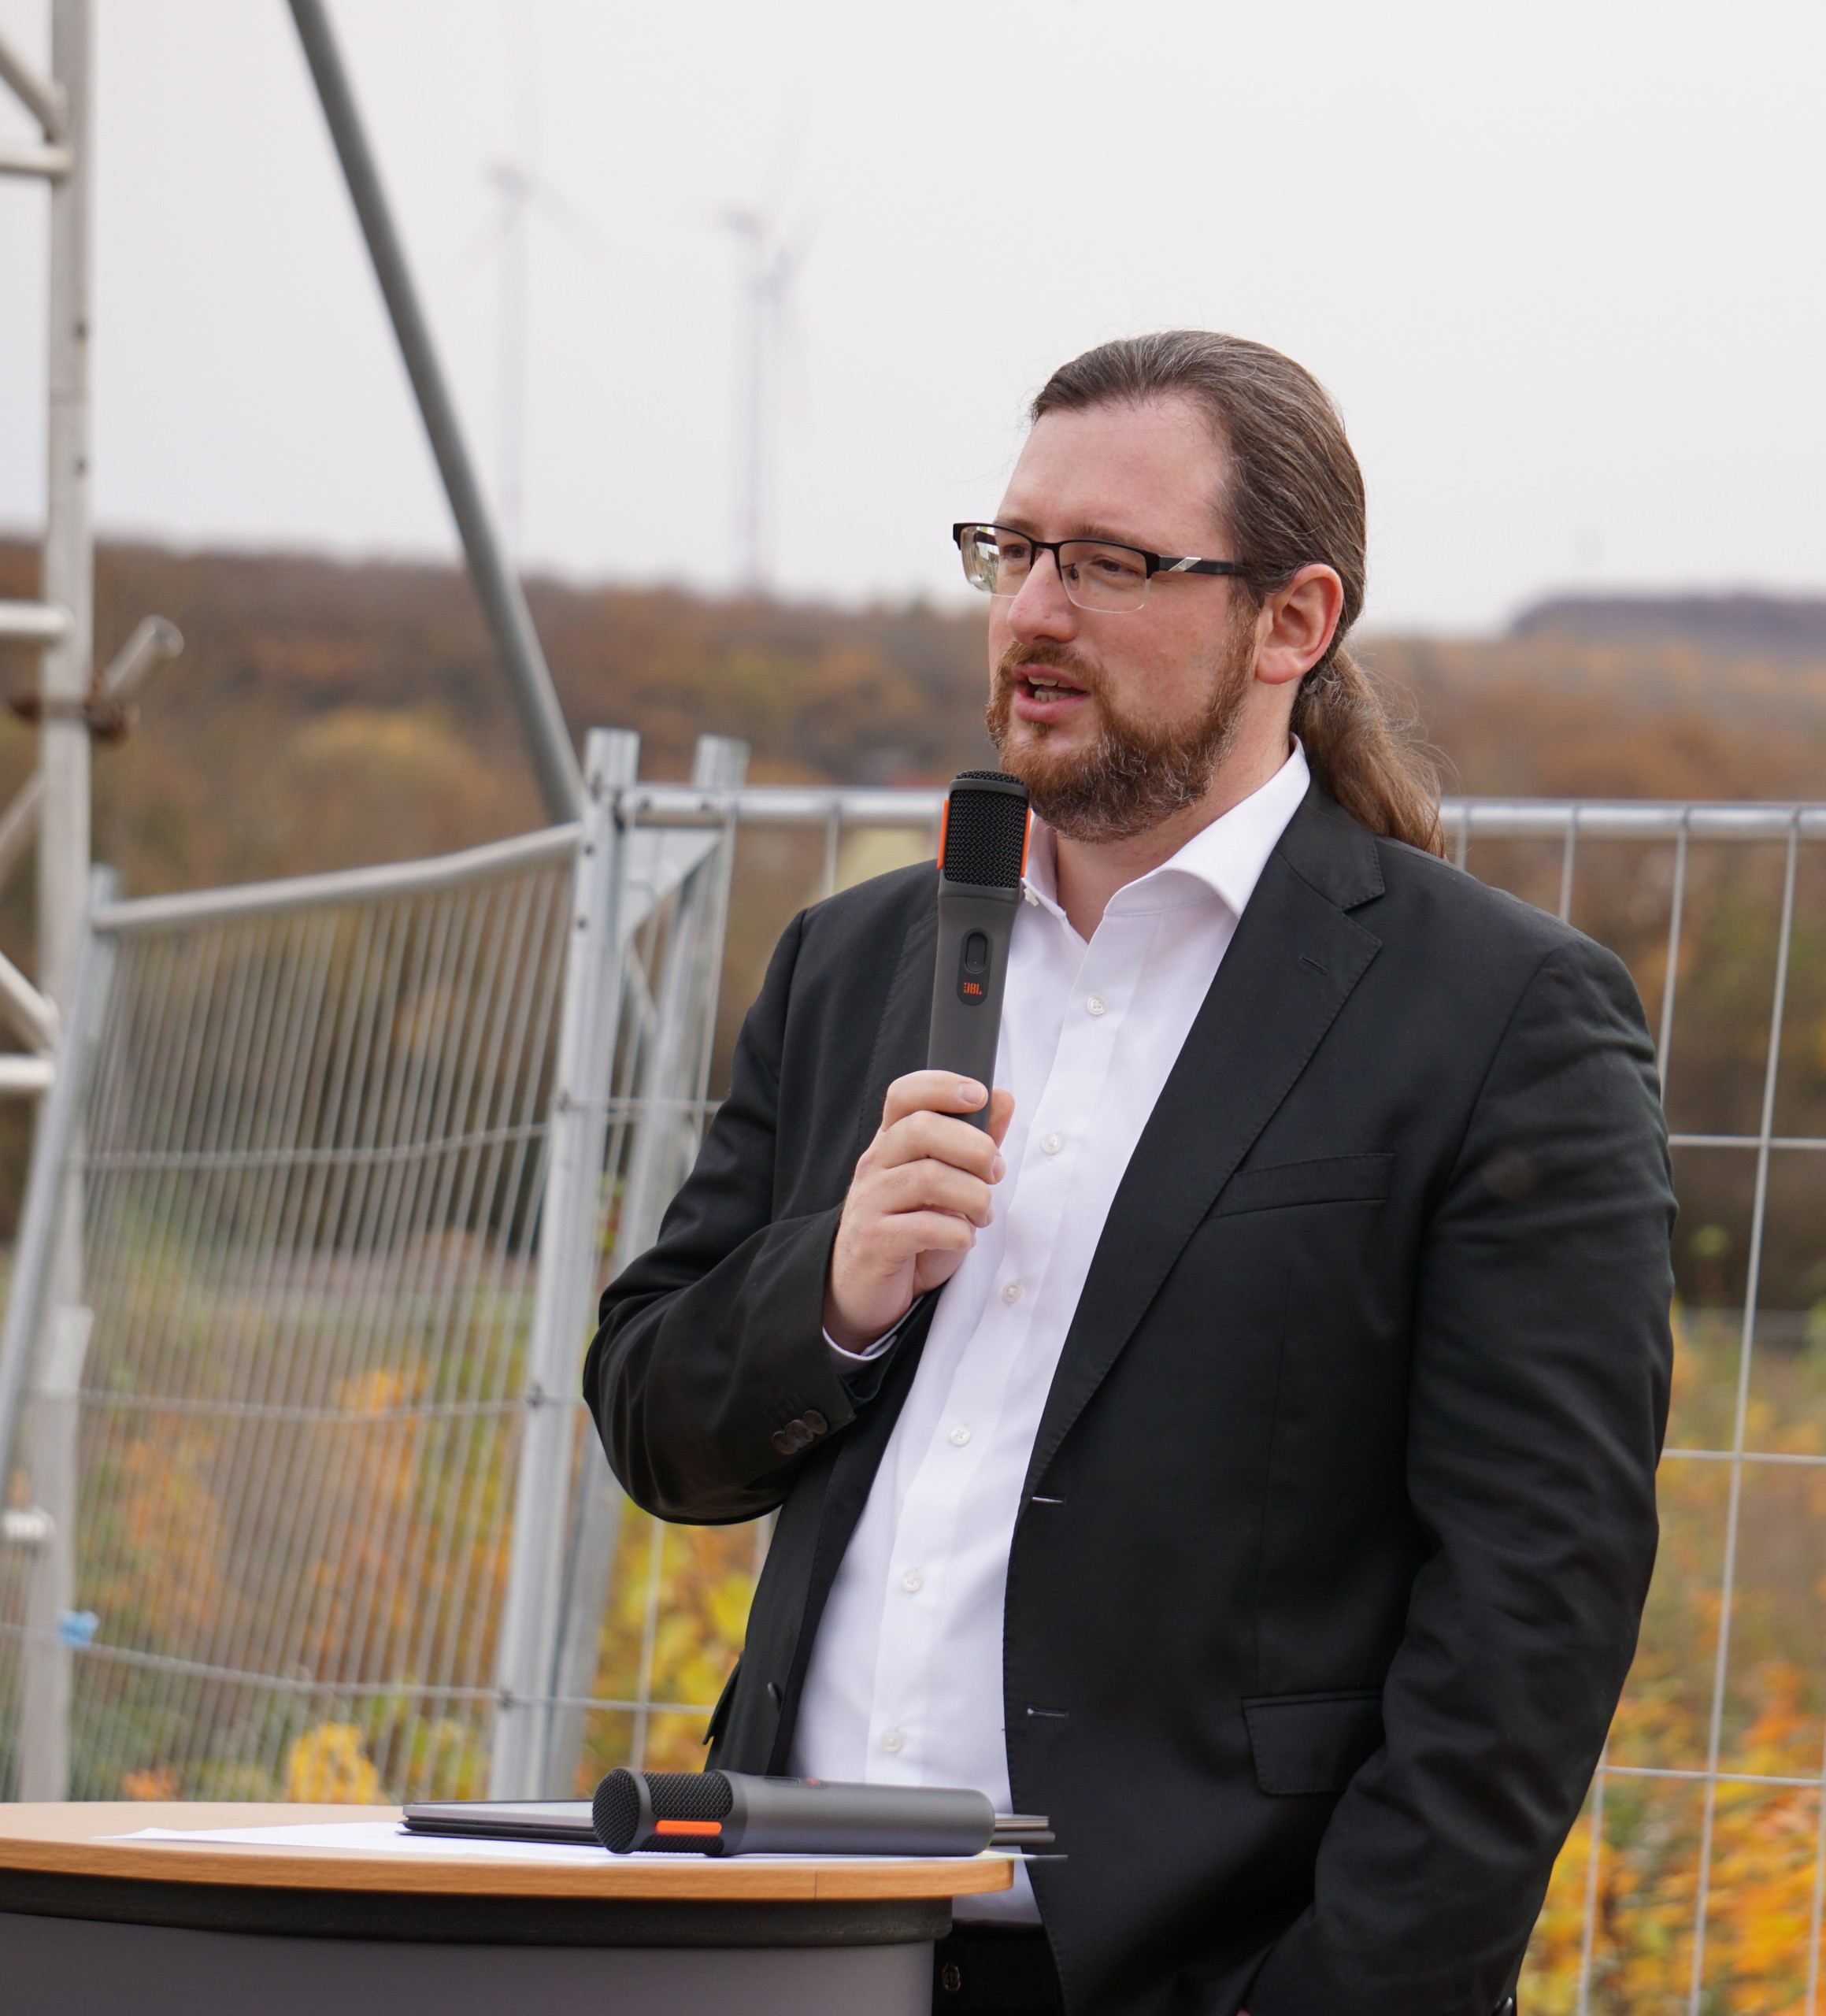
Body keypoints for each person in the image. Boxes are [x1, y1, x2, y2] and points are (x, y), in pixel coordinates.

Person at [584, 331, 1675, 2016]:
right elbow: (654, 1416)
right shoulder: (851, 962)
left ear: (1291, 622)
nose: (1032, 611)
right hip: (787, 1949)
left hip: (1187, 1978)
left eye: (1108, 564)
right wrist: (836, 1294)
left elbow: (1532, 1607)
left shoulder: (1494, 1017)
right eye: (1012, 550)